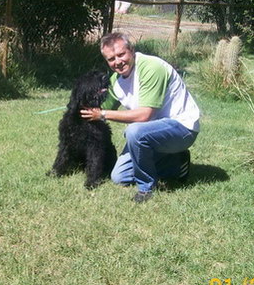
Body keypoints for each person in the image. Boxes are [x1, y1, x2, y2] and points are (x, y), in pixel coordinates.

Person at [80, 32, 200, 203]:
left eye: (121, 54)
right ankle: (176, 162)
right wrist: (80, 103)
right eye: (111, 59)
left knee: (134, 131)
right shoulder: (116, 80)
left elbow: (144, 115)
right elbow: (104, 106)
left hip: (181, 128)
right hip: (151, 132)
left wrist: (103, 115)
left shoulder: (151, 67)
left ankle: (146, 188)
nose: (118, 62)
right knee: (119, 176)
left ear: (132, 50)